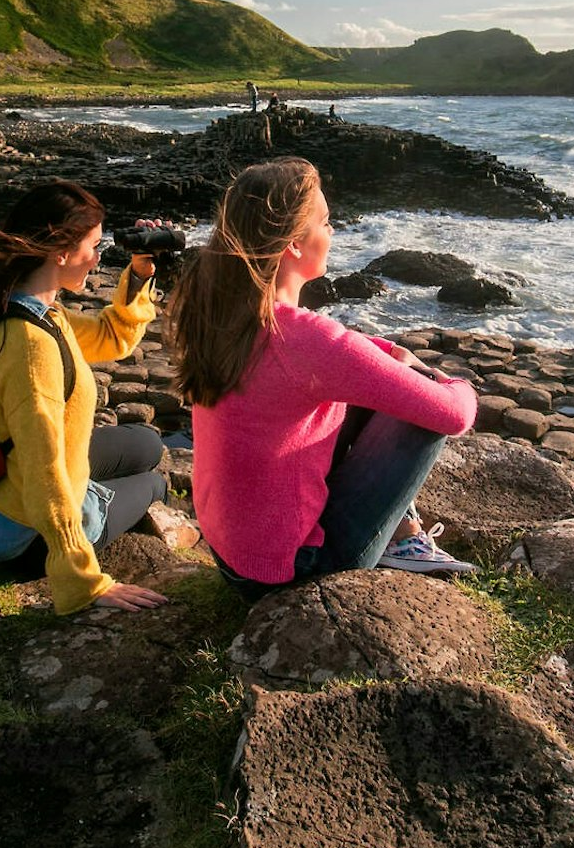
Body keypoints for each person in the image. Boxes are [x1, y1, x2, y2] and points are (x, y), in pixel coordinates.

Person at [167, 158, 477, 600]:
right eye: (326, 223)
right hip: (292, 569)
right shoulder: (305, 340)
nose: (333, 233)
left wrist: (390, 354)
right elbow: (453, 414)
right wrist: (446, 379)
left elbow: (342, 355)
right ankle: (401, 540)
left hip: (235, 557)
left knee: (377, 384)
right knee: (420, 411)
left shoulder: (220, 312)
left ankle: (403, 529)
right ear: (294, 243)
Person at [0, 181, 169, 615]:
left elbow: (110, 337)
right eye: (94, 245)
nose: (99, 256)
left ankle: (93, 490)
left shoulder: (32, 307)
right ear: (61, 252)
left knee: (148, 443)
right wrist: (82, 581)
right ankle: (89, 515)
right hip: (17, 531)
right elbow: (44, 471)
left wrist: (140, 273)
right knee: (154, 482)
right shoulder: (31, 348)